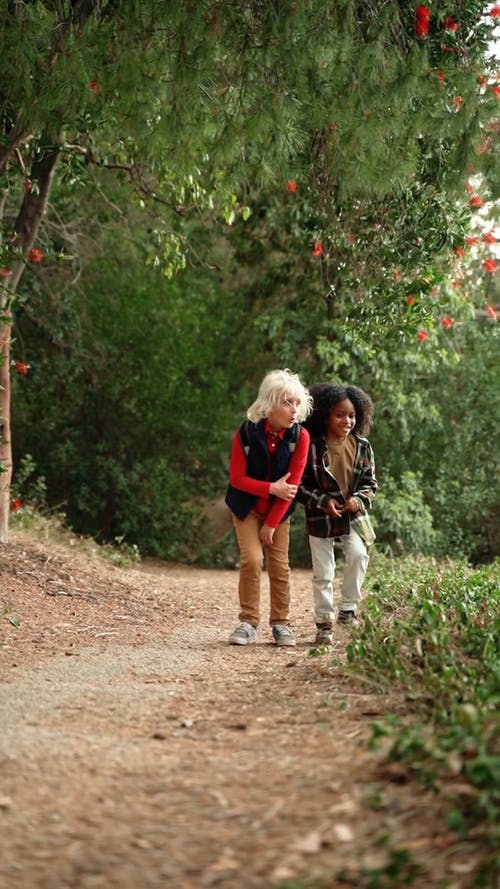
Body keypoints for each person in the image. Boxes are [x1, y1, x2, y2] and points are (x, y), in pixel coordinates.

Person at [225, 369, 312, 647]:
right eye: (288, 402)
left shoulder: (301, 437)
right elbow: (237, 479)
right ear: (270, 403)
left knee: (279, 566)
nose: (293, 410)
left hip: (279, 511)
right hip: (247, 507)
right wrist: (270, 488)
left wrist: (272, 523)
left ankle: (281, 624)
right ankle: (248, 622)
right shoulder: (246, 433)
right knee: (252, 560)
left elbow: (292, 487)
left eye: (297, 403)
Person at [297, 383, 378, 646]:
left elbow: (370, 484)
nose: (347, 420)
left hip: (353, 514)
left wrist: (358, 499)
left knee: (358, 554)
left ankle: (348, 610)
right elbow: (300, 486)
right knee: (324, 572)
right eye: (340, 415)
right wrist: (322, 501)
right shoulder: (311, 446)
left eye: (352, 415)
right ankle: (324, 625)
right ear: (325, 416)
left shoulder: (363, 446)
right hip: (321, 515)